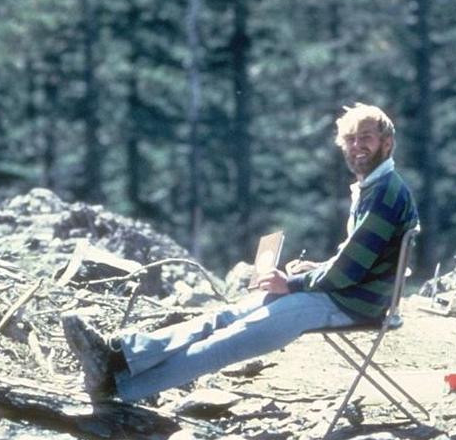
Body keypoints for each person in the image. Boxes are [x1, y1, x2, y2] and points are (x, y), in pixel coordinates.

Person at [61, 103, 419, 402]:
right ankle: (121, 355)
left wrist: (292, 284)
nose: (357, 146)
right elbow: (356, 257)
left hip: (353, 302)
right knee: (224, 318)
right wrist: (313, 269)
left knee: (230, 341)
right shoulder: (375, 186)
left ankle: (118, 387)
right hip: (346, 294)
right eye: (351, 139)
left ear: (387, 144)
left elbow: (350, 269)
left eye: (366, 139)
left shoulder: (386, 192)